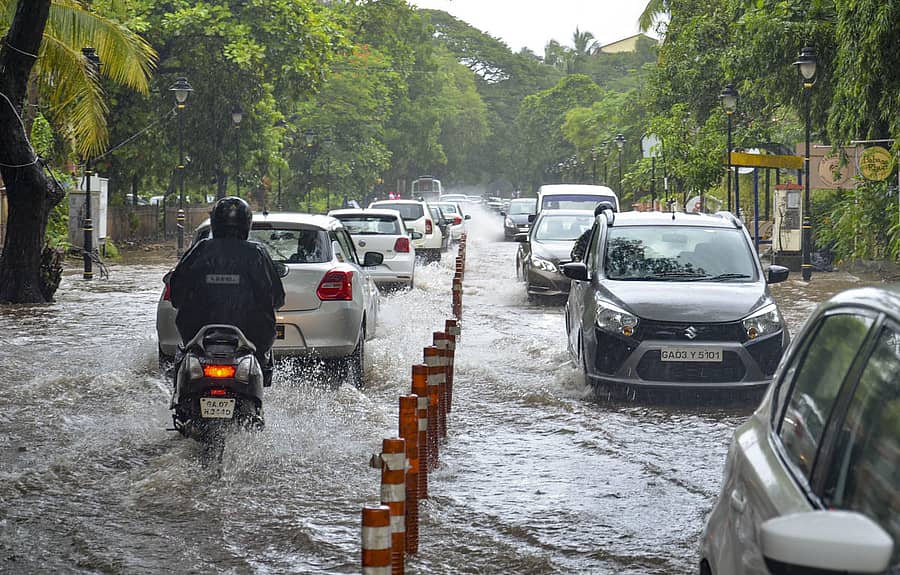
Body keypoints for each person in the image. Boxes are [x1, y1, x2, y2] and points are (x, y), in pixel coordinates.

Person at [169, 197, 285, 386]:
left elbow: (176, 293)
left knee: (182, 356)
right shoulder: (257, 253)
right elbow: (277, 298)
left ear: (215, 222)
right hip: (252, 337)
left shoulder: (200, 250)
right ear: (247, 224)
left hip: (197, 335)